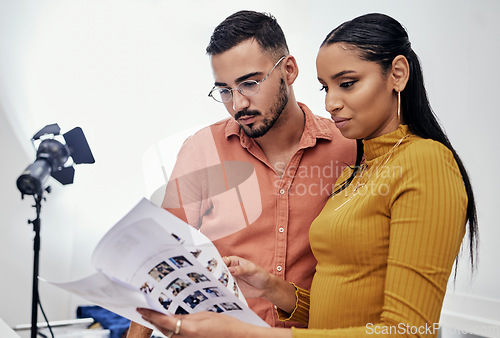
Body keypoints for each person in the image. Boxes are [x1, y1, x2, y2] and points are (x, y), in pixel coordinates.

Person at [135, 13, 479, 338]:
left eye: (250, 83)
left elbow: (408, 329)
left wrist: (246, 333)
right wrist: (272, 287)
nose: (331, 103)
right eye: (326, 88)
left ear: (288, 70)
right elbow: (339, 308)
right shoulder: (359, 167)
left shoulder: (389, 156)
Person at [126, 10, 356, 337]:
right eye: (224, 90)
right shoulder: (201, 150)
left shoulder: (348, 149)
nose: (238, 104)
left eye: (249, 83)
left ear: (288, 70)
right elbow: (160, 259)